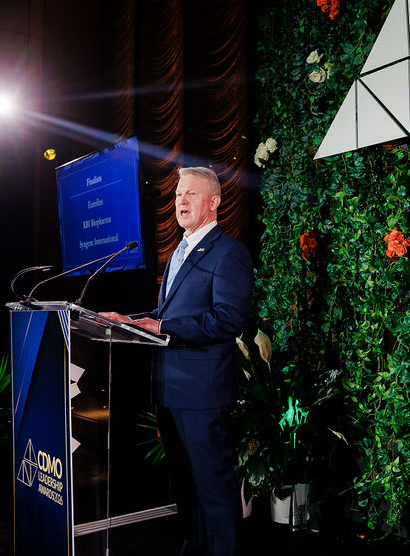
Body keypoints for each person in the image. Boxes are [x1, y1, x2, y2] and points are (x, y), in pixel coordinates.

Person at [101, 166, 253, 556]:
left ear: (214, 202)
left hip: (202, 393)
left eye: (190, 194)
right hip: (170, 390)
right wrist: (129, 321)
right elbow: (165, 314)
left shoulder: (229, 253)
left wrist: (162, 324)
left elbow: (228, 319)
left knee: (213, 487)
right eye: (177, 194)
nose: (180, 201)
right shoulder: (177, 253)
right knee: (185, 486)